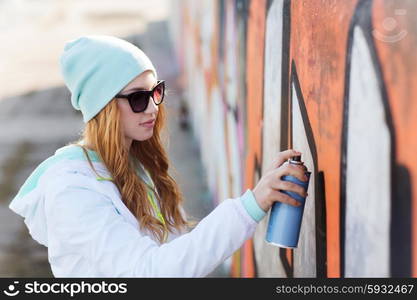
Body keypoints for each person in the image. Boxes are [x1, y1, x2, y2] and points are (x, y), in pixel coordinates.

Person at [8, 35, 308, 277]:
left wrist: (259, 197)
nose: (153, 108)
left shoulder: (136, 167)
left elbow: (178, 253)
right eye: (138, 98)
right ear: (104, 108)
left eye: (155, 92)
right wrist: (250, 206)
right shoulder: (72, 191)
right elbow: (149, 272)